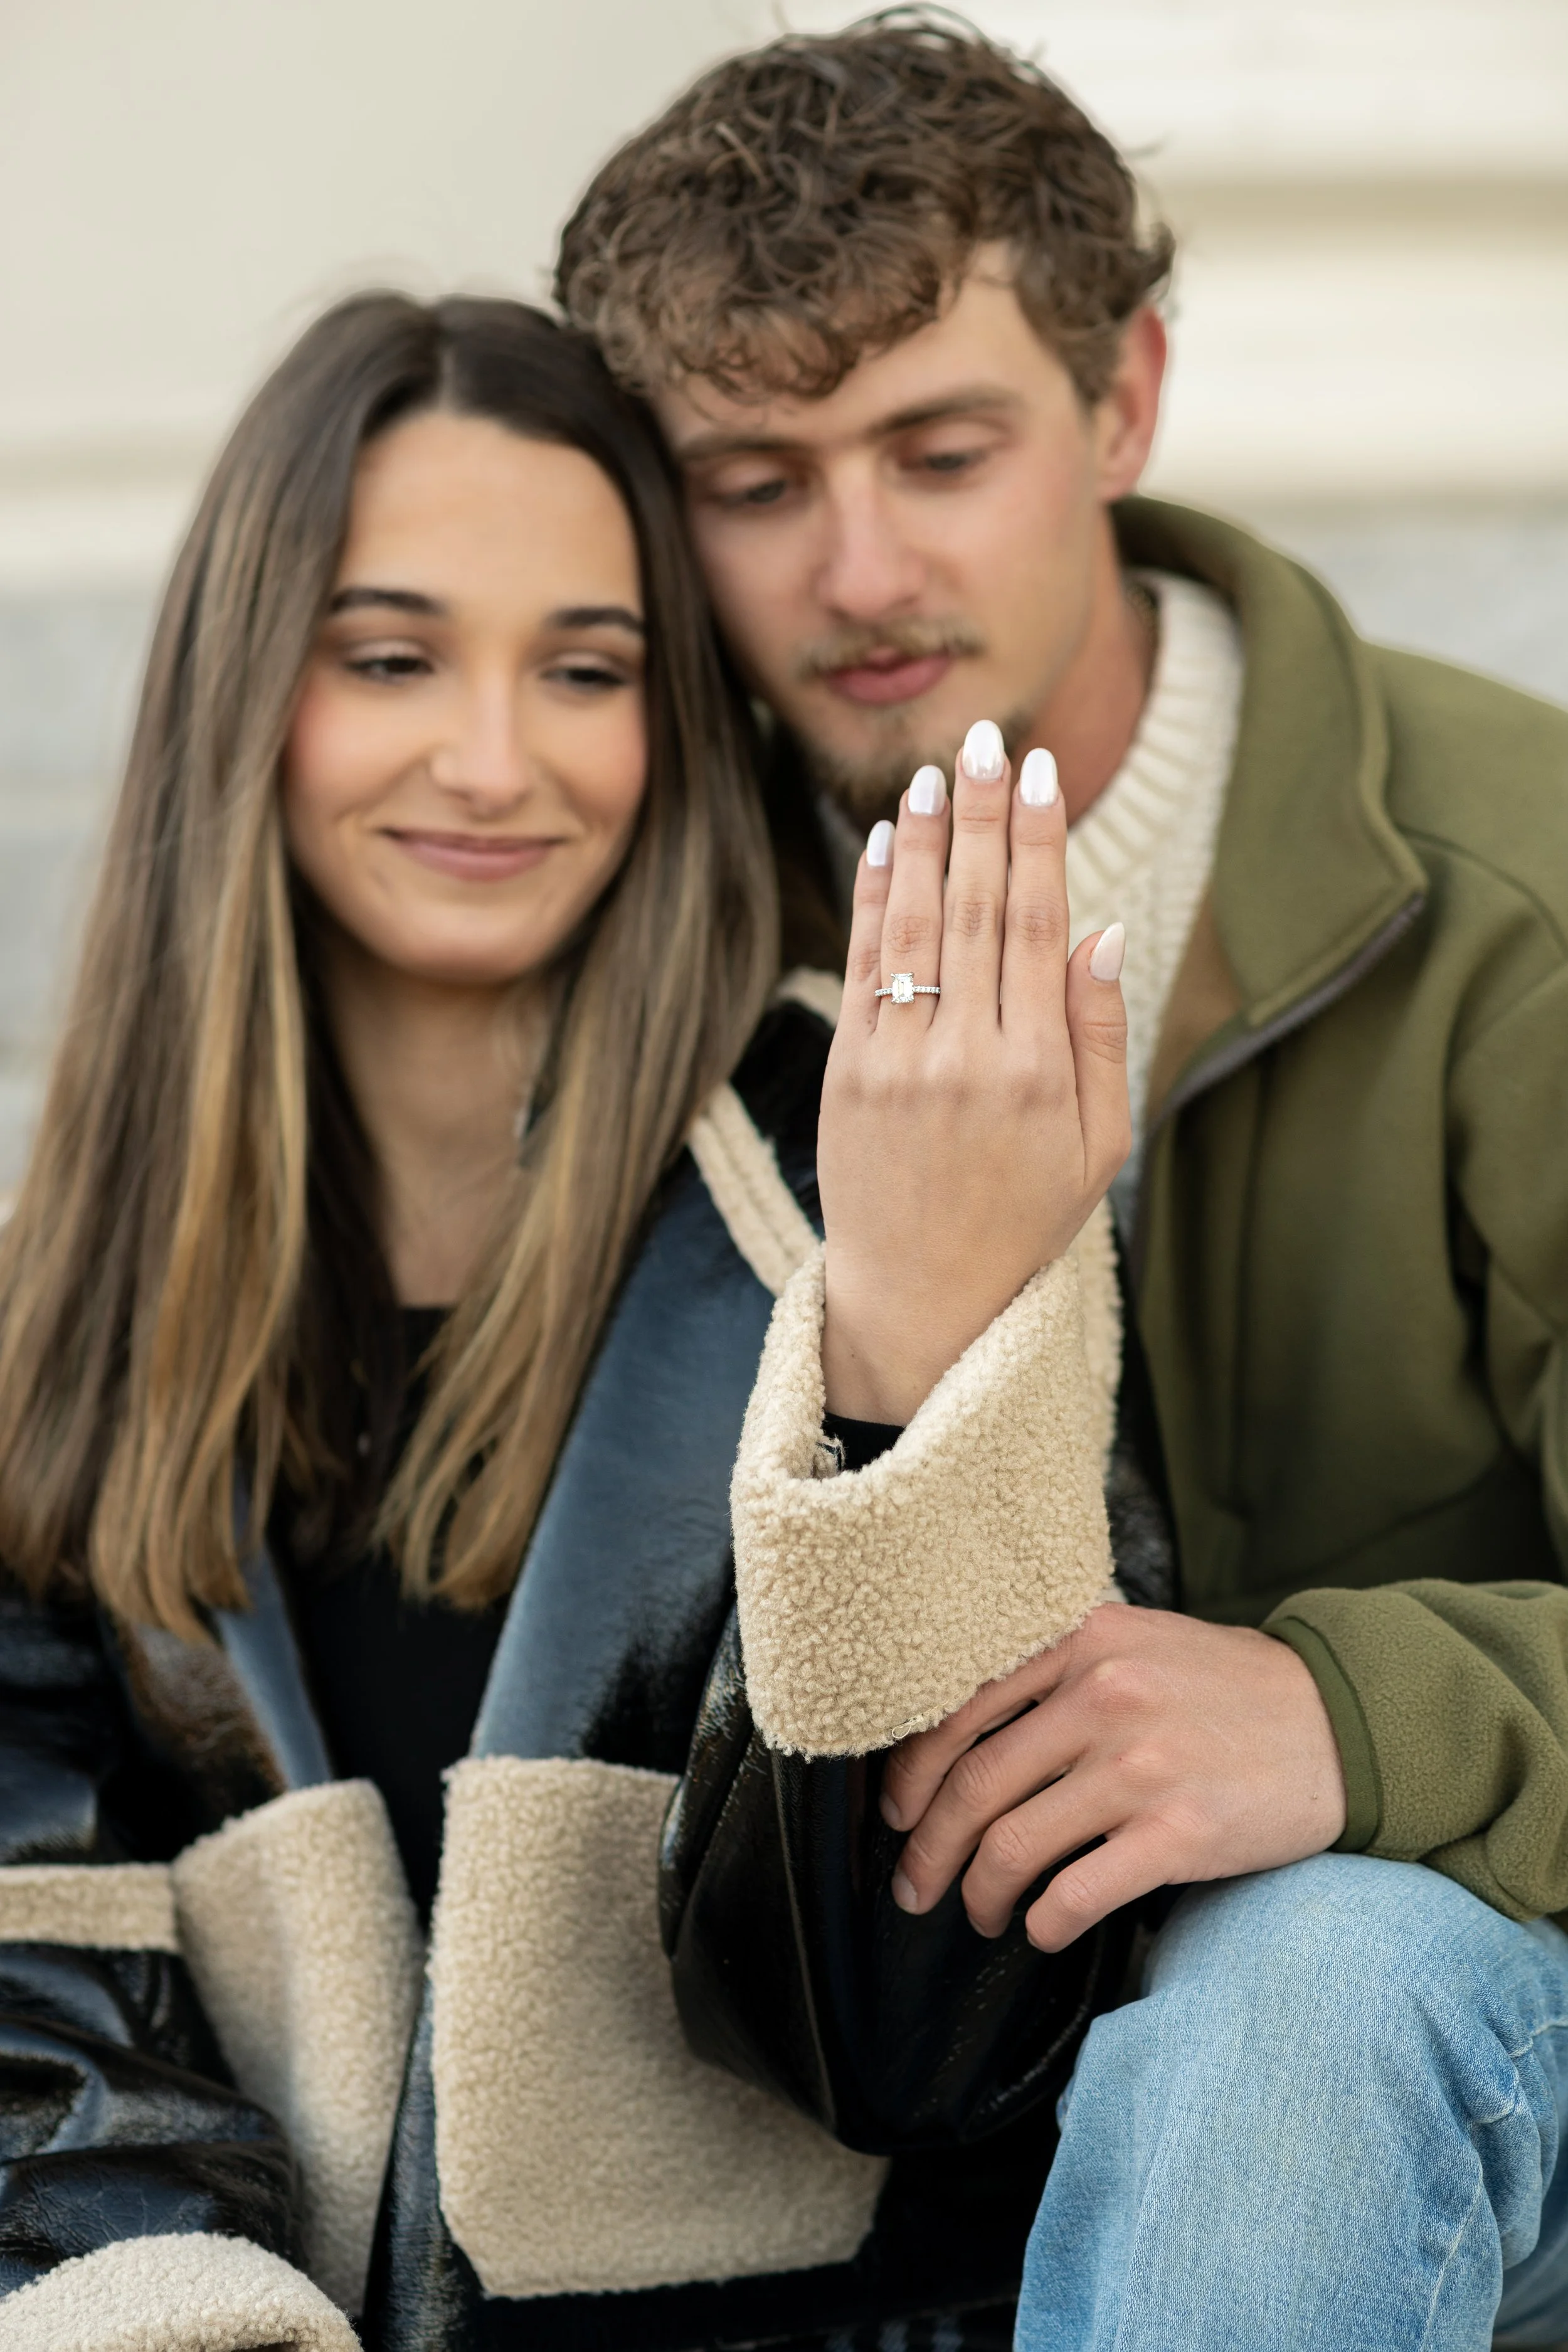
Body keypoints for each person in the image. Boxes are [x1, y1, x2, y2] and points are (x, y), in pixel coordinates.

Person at [556, 13, 1568, 2348]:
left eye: (941, 446)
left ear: (1121, 405)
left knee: (1314, 1981)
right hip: (891, 2051)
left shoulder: (1510, 898)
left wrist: (1350, 1713)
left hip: (1440, 1992)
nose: (860, 566)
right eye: (755, 478)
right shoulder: (643, 935)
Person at [0, 291, 1136, 2351]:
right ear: (246, 692)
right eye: (392, 656)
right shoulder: (63, 1288)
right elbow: (29, 1996)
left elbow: (936, 2049)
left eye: (586, 668)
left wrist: (888, 1357)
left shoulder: (858, 1169)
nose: (496, 758)